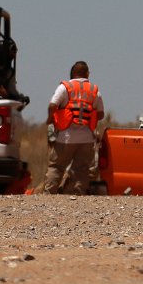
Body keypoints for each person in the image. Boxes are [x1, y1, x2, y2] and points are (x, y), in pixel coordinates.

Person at [43, 61, 104, 195]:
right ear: (87, 73)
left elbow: (52, 105)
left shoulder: (64, 87)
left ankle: (48, 196)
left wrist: (50, 119)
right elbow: (100, 114)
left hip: (65, 136)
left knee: (57, 167)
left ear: (72, 73)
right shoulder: (95, 90)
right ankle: (78, 195)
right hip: (87, 138)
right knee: (82, 169)